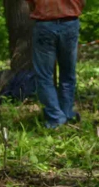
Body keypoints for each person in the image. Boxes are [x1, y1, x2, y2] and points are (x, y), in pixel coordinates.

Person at [27, 0, 84, 129]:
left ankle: (56, 117)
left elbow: (30, 3)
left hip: (45, 24)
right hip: (70, 22)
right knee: (68, 73)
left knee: (44, 76)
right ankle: (66, 114)